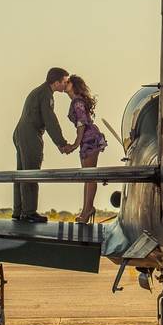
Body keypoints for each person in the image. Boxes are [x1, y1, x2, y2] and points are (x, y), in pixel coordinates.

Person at [12, 67, 71, 223]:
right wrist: (62, 143)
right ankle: (29, 212)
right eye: (64, 82)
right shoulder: (46, 95)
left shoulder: (38, 91)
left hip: (20, 132)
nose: (66, 85)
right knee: (31, 173)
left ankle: (18, 211)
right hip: (30, 134)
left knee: (21, 174)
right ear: (56, 82)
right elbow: (50, 120)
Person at [64, 75, 108, 223]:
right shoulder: (76, 101)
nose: (66, 83)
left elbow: (82, 123)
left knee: (89, 177)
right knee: (87, 177)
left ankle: (87, 210)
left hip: (89, 139)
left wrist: (76, 143)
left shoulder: (77, 101)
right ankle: (86, 209)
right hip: (87, 140)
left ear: (74, 85)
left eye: (68, 82)